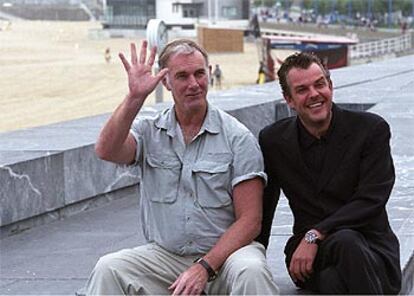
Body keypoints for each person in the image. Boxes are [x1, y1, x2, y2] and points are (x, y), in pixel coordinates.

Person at [86, 39, 279, 295]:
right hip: (165, 257)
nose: (193, 84)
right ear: (165, 81)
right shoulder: (150, 132)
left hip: (226, 257)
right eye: (182, 76)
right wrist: (135, 97)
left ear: (209, 73)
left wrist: (204, 267)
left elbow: (251, 221)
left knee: (252, 270)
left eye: (199, 73)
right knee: (108, 268)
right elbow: (106, 150)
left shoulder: (237, 138)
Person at [256, 52, 401, 294]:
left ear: (330, 86)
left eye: (319, 84)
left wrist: (316, 233)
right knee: (339, 258)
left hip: (371, 249)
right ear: (289, 100)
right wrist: (254, 262)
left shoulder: (371, 130)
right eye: (302, 89)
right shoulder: (273, 140)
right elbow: (265, 209)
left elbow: (371, 200)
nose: (314, 94)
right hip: (310, 258)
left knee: (339, 265)